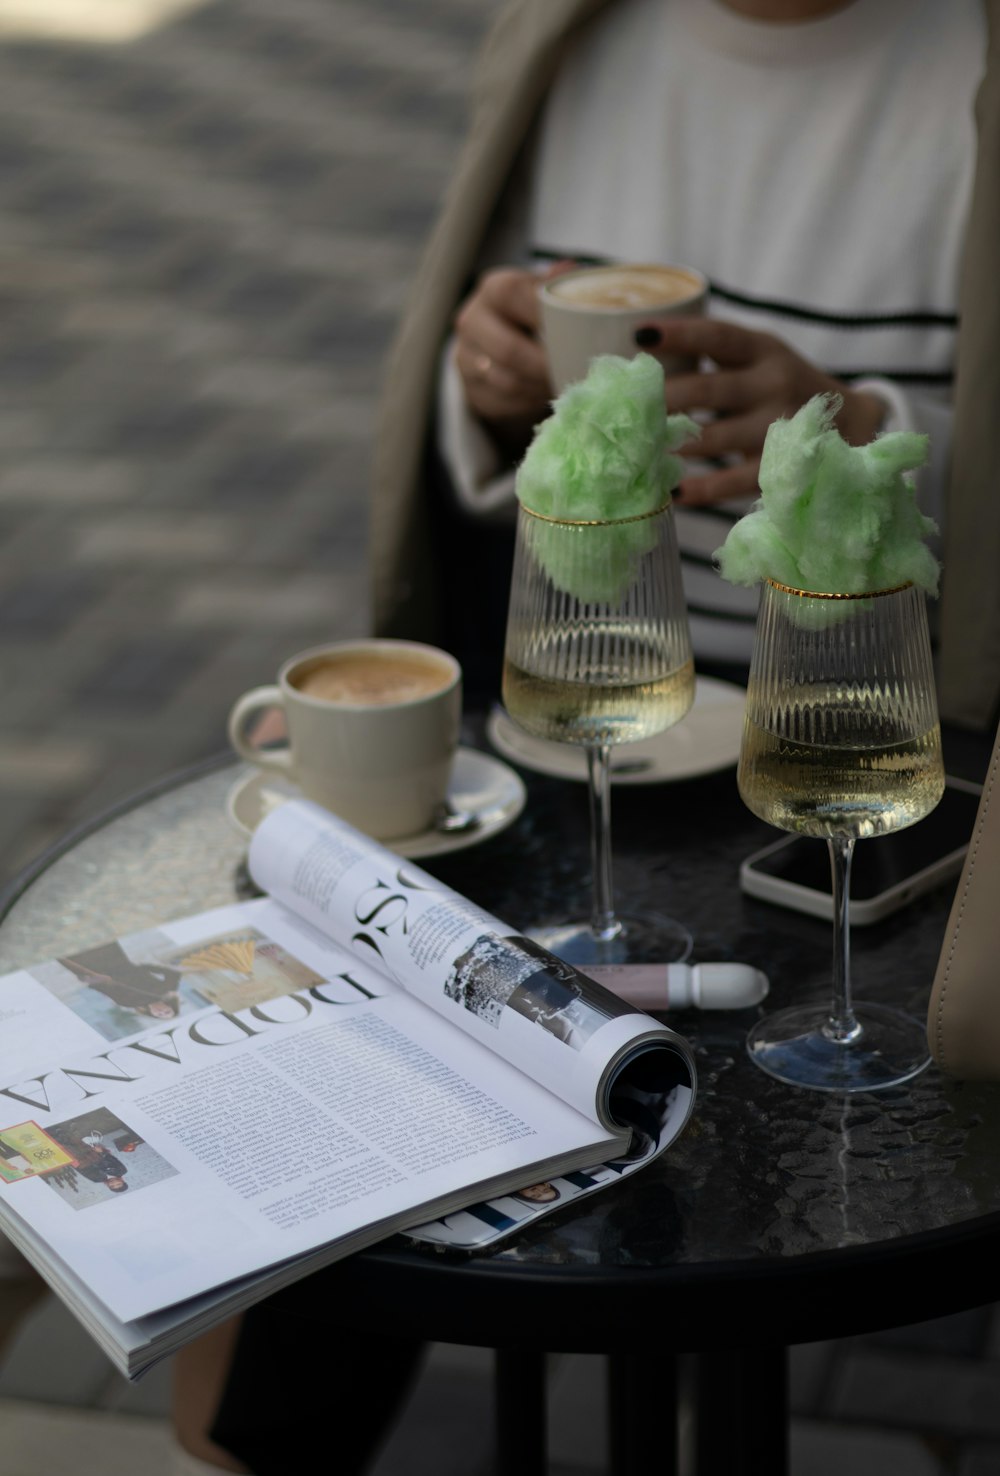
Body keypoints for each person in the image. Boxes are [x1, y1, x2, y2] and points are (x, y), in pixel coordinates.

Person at [370, 0, 1000, 732]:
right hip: (576, 689)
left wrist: (866, 443)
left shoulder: (970, 61)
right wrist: (493, 386)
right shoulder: (562, 33)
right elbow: (494, 373)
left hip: (857, 734)